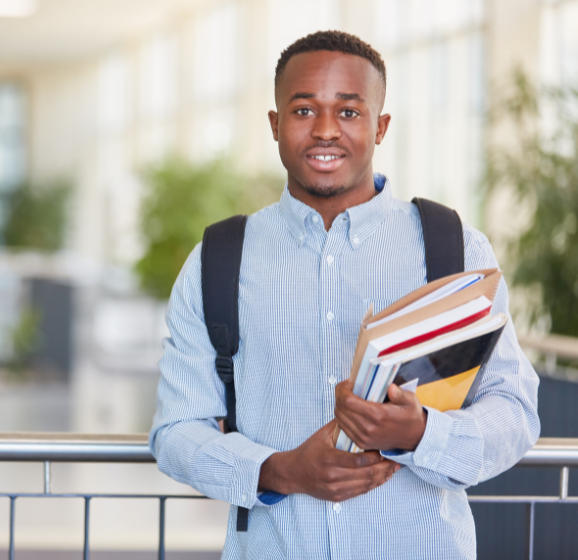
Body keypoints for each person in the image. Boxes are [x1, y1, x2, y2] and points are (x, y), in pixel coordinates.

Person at [149, 30, 540, 560]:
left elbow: (514, 411)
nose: (326, 130)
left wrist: (421, 433)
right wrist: (279, 471)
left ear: (380, 127)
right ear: (275, 125)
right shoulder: (220, 259)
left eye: (350, 112)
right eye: (304, 109)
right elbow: (175, 430)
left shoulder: (455, 250)